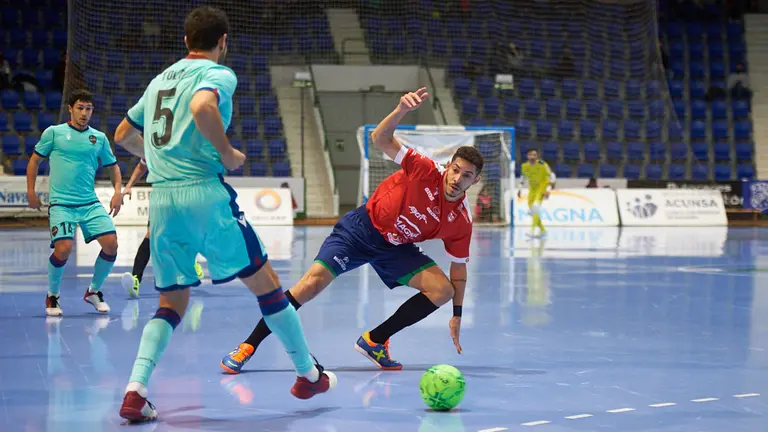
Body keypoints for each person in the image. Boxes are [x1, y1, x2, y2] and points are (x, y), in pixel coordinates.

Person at [113, 6, 335, 422]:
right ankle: (308, 374)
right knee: (267, 286)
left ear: (185, 41)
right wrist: (226, 151)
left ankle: (135, 390)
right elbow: (201, 107)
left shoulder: (160, 79)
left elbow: (122, 135)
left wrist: (160, 160)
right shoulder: (218, 73)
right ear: (223, 42)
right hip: (204, 195)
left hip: (162, 201)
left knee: (172, 301)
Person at [221, 88, 482, 373]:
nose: (457, 178)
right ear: (449, 166)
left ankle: (375, 340)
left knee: (441, 290)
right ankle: (248, 344)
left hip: (396, 247)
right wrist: (401, 110)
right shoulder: (425, 169)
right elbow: (379, 139)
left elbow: (458, 272)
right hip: (361, 231)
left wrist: (456, 314)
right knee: (310, 284)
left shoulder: (461, 221)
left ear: (475, 180)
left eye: (466, 175)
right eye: (455, 170)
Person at [26, 89, 123, 317]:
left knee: (111, 244)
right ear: (70, 109)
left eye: (88, 109)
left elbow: (114, 167)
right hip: (61, 204)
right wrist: (30, 192)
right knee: (64, 249)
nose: (84, 113)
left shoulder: (98, 138)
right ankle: (53, 296)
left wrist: (117, 192)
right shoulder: (54, 133)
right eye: (80, 108)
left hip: (89, 203)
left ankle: (94, 292)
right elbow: (34, 162)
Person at [119, 159, 204, 298]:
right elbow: (142, 165)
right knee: (150, 236)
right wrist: (129, 186)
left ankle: (191, 263)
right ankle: (135, 280)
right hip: (160, 196)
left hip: (183, 194)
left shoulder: (183, 145)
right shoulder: (154, 143)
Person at [518, 148, 555, 238]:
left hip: (542, 188)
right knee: (534, 211)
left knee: (534, 208)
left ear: (537, 156)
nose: (532, 157)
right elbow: (523, 178)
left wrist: (548, 189)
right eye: (530, 155)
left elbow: (552, 176)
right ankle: (543, 230)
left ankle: (532, 230)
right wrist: (519, 189)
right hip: (532, 189)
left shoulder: (542, 164)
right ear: (527, 156)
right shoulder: (524, 166)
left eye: (534, 155)